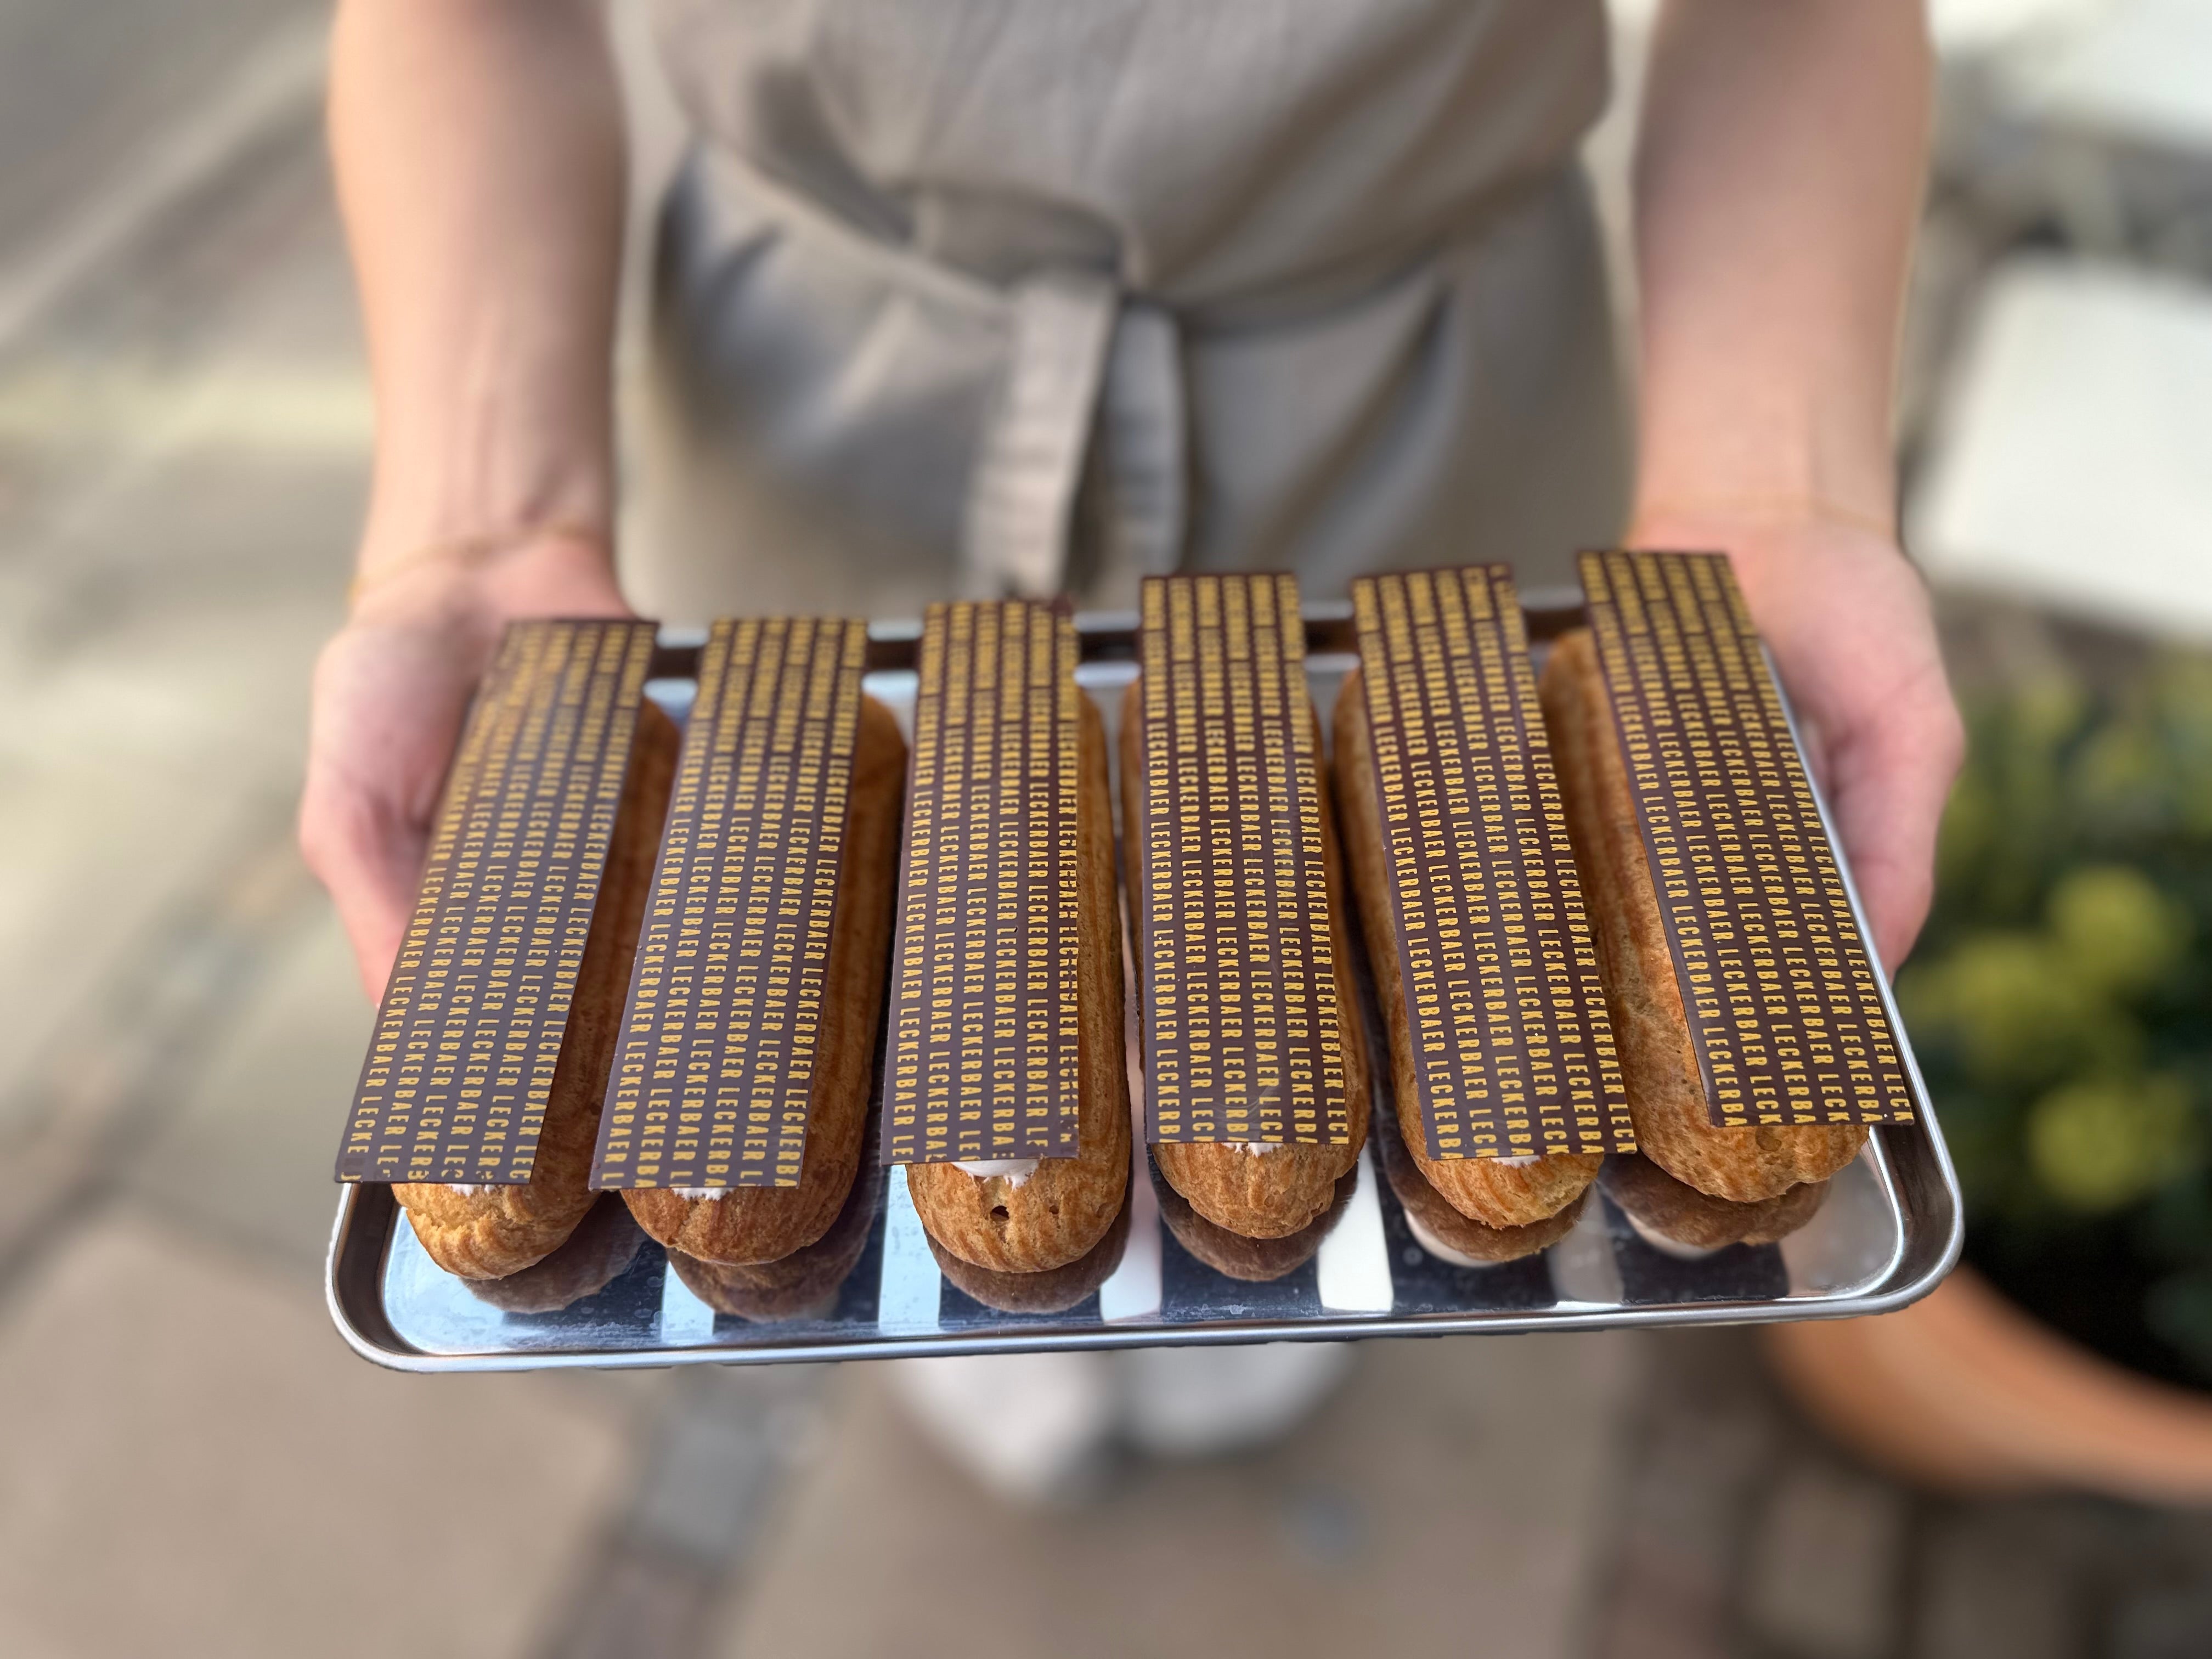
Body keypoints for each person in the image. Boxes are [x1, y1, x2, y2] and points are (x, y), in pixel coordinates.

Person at [302, 0, 1963, 1492]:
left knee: (1364, 1053)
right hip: (828, 407)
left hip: (1418, 401)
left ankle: (1252, 1332)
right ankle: (992, 1334)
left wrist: (1776, 486)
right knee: (869, 1062)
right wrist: (481, 522)